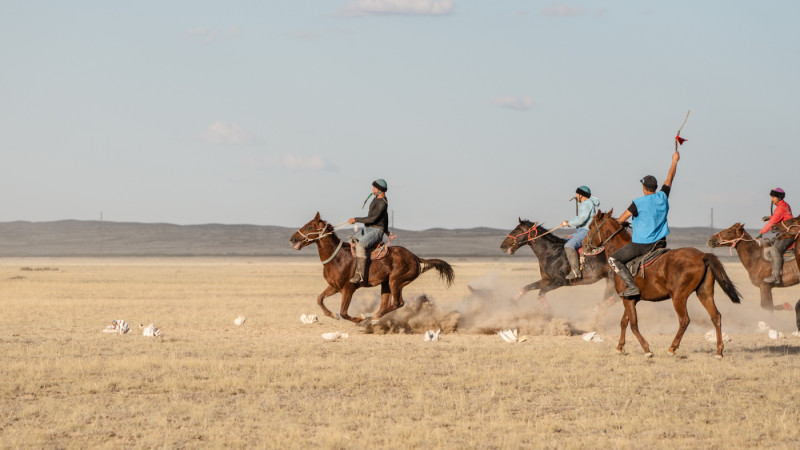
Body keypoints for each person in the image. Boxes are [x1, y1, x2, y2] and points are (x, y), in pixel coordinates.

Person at [608, 150, 680, 297]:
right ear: (655, 187)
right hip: (660, 243)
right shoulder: (663, 196)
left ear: (644, 188)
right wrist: (674, 161)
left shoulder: (638, 203)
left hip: (642, 245)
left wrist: (623, 223)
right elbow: (670, 177)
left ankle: (631, 286)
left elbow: (621, 220)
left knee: (613, 259)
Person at [347, 179, 390, 284]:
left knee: (360, 246)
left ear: (379, 189)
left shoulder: (382, 203)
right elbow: (385, 216)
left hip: (376, 231)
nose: (372, 189)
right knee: (351, 243)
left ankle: (360, 275)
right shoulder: (376, 199)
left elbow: (372, 219)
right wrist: (387, 230)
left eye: (374, 187)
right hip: (368, 229)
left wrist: (356, 219)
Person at [560, 186, 600, 280]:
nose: (576, 196)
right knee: (564, 240)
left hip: (586, 231)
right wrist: (569, 222)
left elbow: (581, 219)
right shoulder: (587, 203)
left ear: (581, 195)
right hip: (582, 230)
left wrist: (568, 223)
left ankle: (575, 271)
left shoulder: (587, 204)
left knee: (569, 245)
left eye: (577, 194)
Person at [756, 188, 793, 284]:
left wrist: (761, 232)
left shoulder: (780, 208)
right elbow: (778, 216)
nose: (771, 199)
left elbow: (772, 223)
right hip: (786, 232)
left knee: (774, 250)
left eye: (773, 197)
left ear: (779, 197)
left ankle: (776, 277)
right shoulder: (783, 205)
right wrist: (769, 217)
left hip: (789, 234)